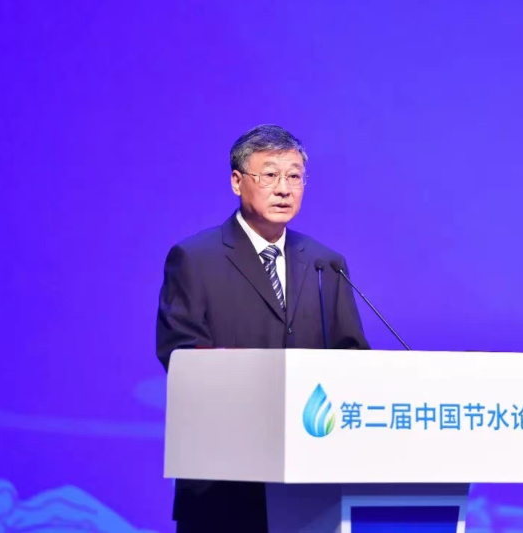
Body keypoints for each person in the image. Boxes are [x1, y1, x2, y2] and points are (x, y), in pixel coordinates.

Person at [156, 124, 369, 532]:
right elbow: (180, 356)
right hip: (223, 480)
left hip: (312, 482)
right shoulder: (195, 258)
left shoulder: (326, 262)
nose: (283, 189)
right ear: (237, 182)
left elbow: (353, 356)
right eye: (269, 175)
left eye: (294, 176)